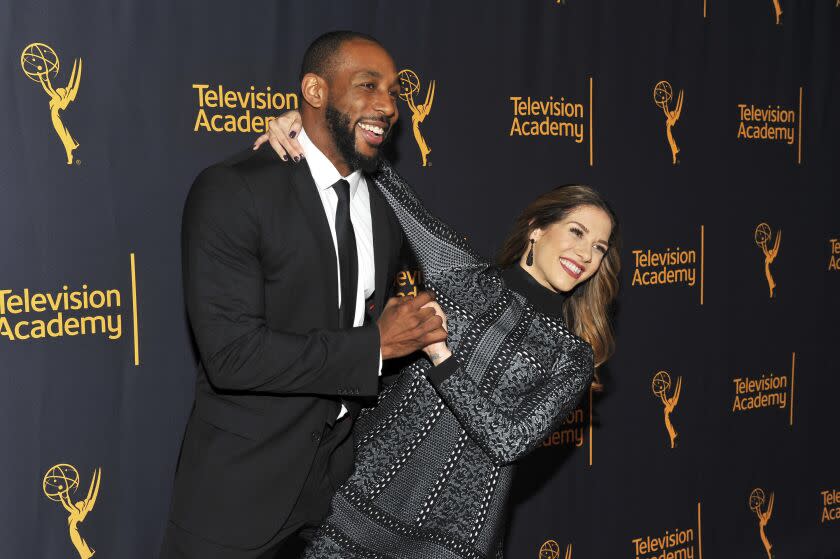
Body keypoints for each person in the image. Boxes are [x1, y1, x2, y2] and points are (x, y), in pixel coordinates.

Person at [253, 113, 621, 558]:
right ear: (537, 229)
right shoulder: (463, 273)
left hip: (457, 538)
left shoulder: (572, 355)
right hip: (364, 496)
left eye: (599, 247)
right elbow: (390, 185)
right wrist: (312, 130)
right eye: (577, 233)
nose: (586, 254)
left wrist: (442, 357)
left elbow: (509, 442)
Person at [160, 31, 447, 558]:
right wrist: (373, 346)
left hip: (342, 494)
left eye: (392, 90)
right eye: (367, 85)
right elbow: (232, 356)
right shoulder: (236, 190)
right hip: (239, 492)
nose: (388, 104)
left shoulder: (386, 200)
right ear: (314, 91)